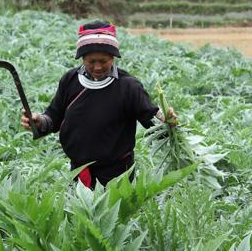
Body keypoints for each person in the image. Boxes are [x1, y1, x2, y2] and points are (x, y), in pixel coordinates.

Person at [21, 21, 174, 188]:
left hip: (118, 174)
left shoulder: (128, 87)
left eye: (104, 60)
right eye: (91, 61)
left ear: (113, 57)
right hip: (78, 171)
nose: (98, 67)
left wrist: (167, 121)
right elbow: (54, 116)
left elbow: (153, 122)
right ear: (82, 58)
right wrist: (39, 122)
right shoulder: (70, 80)